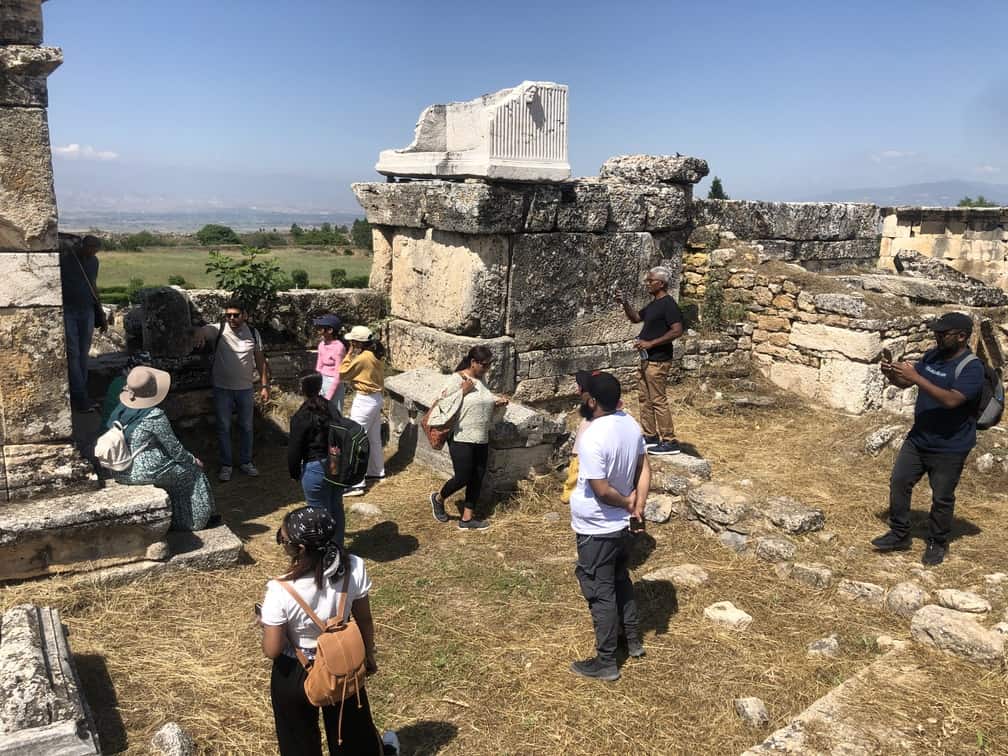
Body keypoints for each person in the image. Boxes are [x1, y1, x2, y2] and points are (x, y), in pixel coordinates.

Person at [260, 507, 390, 755]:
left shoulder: (280, 589)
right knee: (351, 733)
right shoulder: (354, 566)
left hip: (295, 670)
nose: (281, 543)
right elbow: (364, 619)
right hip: (343, 661)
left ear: (298, 549)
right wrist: (368, 654)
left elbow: (273, 649)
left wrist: (265, 625)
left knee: (297, 738)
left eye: (282, 539)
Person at [871, 312, 985, 566]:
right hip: (919, 438)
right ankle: (899, 534)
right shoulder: (933, 356)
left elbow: (952, 400)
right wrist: (892, 374)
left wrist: (917, 378)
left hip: (951, 446)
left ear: (961, 336)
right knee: (899, 482)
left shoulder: (971, 367)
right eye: (935, 332)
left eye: (942, 334)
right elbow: (906, 383)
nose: (937, 336)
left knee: (942, 497)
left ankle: (937, 542)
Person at [569, 371, 649, 682]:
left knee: (600, 591)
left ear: (591, 401)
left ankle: (605, 661)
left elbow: (601, 490)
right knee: (620, 581)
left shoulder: (593, 436)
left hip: (597, 527)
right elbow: (645, 468)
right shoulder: (630, 423)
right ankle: (632, 641)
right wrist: (638, 505)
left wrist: (628, 503)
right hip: (623, 527)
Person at [109, 366, 217, 530]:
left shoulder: (122, 409)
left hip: (118, 468)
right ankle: (194, 521)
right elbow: (174, 449)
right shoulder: (154, 415)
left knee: (175, 473)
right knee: (193, 473)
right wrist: (192, 459)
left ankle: (179, 515)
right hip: (142, 470)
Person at [427, 346, 508, 530]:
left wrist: (496, 403)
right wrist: (462, 392)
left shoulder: (482, 380)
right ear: (473, 362)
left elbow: (480, 403)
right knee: (463, 476)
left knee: (477, 477)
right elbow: (441, 404)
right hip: (461, 436)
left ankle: (467, 518)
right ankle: (438, 498)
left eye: (489, 365)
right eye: (484, 365)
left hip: (481, 436)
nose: (487, 369)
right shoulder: (457, 379)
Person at [192, 300, 271, 482]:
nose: (232, 318)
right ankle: (226, 465)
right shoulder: (219, 329)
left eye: (236, 315)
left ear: (245, 315)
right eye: (229, 315)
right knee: (223, 427)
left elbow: (260, 361)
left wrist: (265, 385)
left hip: (245, 388)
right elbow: (204, 330)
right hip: (222, 388)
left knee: (246, 427)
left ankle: (246, 462)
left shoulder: (253, 333)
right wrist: (198, 334)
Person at [615, 266, 684, 455]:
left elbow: (677, 330)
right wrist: (625, 303)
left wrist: (651, 343)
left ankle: (669, 441)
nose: (647, 283)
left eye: (650, 280)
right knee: (645, 398)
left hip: (658, 361)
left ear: (660, 283)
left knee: (658, 400)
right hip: (646, 360)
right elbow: (636, 318)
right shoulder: (654, 304)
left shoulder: (669, 305)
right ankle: (650, 436)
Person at [288, 371, 346, 543]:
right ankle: (338, 548)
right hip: (335, 462)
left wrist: (294, 472)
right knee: (336, 507)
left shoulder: (302, 415)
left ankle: (324, 554)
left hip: (315, 467)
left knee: (319, 515)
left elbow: (294, 448)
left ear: (302, 389)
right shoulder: (331, 408)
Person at [60, 234, 108, 412]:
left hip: (86, 309)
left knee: (83, 353)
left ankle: (80, 393)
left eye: (95, 250)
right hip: (68, 310)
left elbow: (93, 286)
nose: (91, 252)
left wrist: (101, 313)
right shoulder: (66, 259)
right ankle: (81, 398)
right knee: (73, 353)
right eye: (89, 248)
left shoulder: (94, 262)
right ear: (82, 246)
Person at [339, 326, 385, 496]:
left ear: (357, 342)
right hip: (376, 398)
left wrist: (349, 354)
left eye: (352, 341)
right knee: (373, 438)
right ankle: (376, 471)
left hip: (365, 399)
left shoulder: (363, 358)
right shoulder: (374, 354)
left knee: (355, 439)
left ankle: (356, 483)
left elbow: (342, 374)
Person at [314, 314, 347, 417]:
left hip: (334, 384)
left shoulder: (338, 347)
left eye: (321, 327)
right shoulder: (321, 344)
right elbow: (319, 366)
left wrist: (328, 397)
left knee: (334, 413)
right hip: (322, 380)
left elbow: (338, 374)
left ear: (330, 330)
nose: (318, 329)